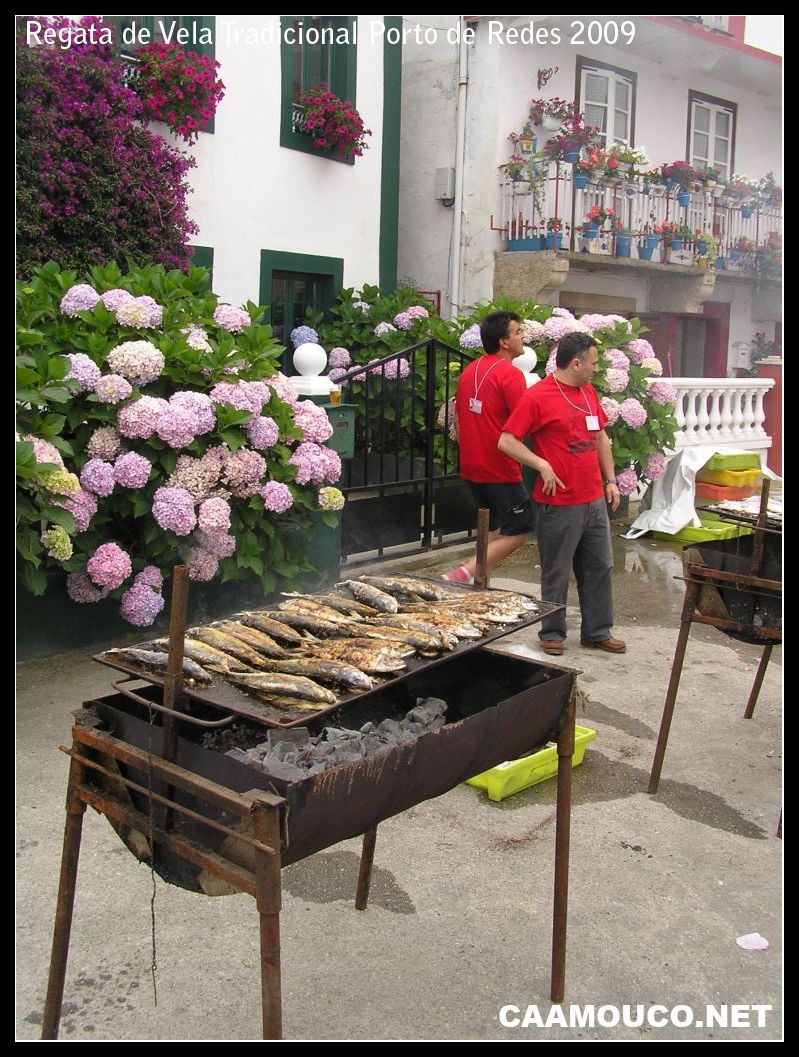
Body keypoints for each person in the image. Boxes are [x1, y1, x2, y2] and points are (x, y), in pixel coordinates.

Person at [498, 331, 626, 655]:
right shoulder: (538, 396)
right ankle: (552, 632)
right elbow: (507, 441)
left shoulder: (588, 393)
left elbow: (601, 439)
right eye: (593, 363)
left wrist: (611, 480)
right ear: (576, 362)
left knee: (600, 567)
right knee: (556, 570)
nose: (596, 369)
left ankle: (597, 631)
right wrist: (541, 464)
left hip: (594, 498)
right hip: (558, 503)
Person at [442, 310, 535, 583]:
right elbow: (524, 422)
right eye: (517, 332)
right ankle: (464, 573)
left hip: (472, 464)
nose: (522, 337)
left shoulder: (471, 369)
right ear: (504, 342)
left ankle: (478, 584)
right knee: (519, 531)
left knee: (490, 529)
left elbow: (458, 419)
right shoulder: (510, 374)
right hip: (500, 467)